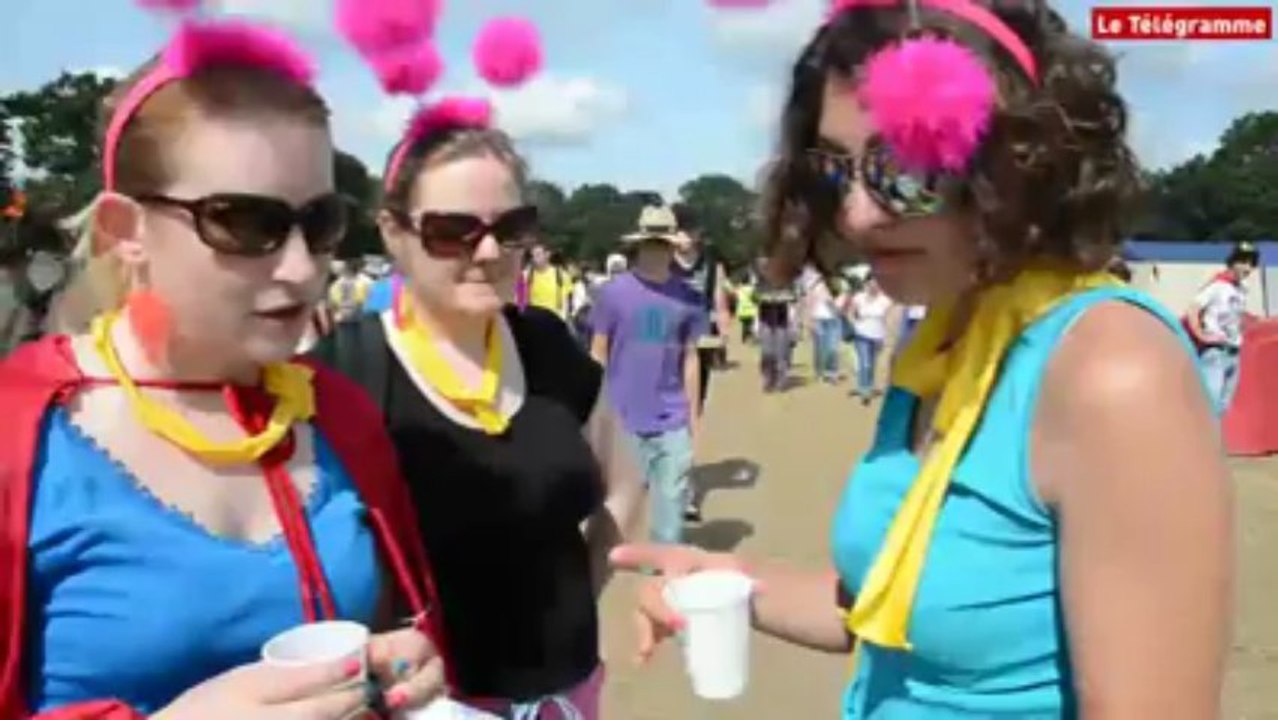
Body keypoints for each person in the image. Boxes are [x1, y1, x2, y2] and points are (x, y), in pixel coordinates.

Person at [611, 1, 1231, 717]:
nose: (856, 214)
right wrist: (737, 581)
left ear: (1021, 159)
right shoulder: (943, 344)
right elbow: (886, 607)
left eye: (905, 167)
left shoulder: (1110, 373)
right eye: (831, 173)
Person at [0, 20, 447, 720]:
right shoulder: (17, 439)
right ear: (126, 231)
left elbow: (391, 620)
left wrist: (396, 663)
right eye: (243, 222)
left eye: (322, 222)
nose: (301, 268)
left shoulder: (337, 413)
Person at [312, 97, 643, 719]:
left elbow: (623, 483)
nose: (488, 252)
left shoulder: (545, 345)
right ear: (394, 233)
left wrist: (581, 592)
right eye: (451, 231)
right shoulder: (348, 369)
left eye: (510, 227)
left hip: (567, 696)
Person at [591, 205, 706, 545]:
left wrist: (694, 417)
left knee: (671, 506)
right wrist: (595, 411)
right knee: (619, 506)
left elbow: (690, 359)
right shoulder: (612, 294)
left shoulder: (689, 299)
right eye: (651, 244)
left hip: (672, 417)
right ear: (638, 246)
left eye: (664, 244)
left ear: (673, 248)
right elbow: (598, 352)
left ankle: (663, 571)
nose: (657, 252)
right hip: (622, 416)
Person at [1184, 241, 1258, 413]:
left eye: (1251, 264)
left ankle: (1212, 438)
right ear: (1232, 263)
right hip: (1216, 352)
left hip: (1234, 353)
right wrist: (1201, 335)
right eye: (1243, 262)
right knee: (1209, 406)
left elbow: (1236, 315)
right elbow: (1193, 308)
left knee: (1222, 407)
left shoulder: (1241, 289)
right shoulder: (1218, 285)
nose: (1247, 268)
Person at [846, 276, 892, 403]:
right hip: (861, 334)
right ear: (866, 284)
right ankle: (865, 391)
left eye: (876, 284)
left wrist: (888, 336)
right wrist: (854, 322)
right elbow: (850, 312)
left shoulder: (885, 300)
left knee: (871, 364)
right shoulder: (859, 297)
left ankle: (866, 386)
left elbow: (889, 318)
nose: (873, 286)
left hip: (878, 336)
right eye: (870, 283)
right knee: (865, 363)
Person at [802, 266, 842, 384]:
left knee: (832, 349)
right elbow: (808, 306)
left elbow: (843, 302)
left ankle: (832, 373)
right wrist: (809, 322)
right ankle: (819, 372)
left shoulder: (838, 286)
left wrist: (835, 303)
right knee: (819, 349)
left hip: (833, 321)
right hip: (818, 320)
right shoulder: (813, 287)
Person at [523, 242, 572, 319]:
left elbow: (566, 300)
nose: (534, 259)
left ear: (547, 255)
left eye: (538, 255)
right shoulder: (524, 276)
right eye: (532, 256)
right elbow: (519, 301)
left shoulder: (562, 275)